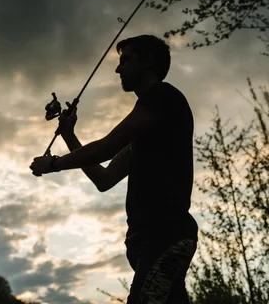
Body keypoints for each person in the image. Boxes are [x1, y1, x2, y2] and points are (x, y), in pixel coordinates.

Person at [30, 34, 198, 303]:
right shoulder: (147, 131)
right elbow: (104, 178)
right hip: (151, 242)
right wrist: (69, 136)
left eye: (126, 60)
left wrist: (53, 163)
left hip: (164, 237)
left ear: (149, 62)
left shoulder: (163, 97)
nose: (118, 69)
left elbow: (105, 147)